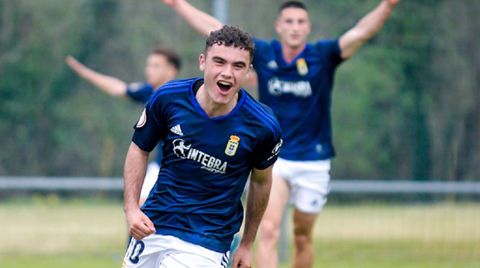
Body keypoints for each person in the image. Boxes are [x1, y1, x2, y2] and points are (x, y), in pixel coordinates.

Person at [162, 0, 400, 267]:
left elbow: (359, 33)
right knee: (269, 229)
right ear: (279, 26)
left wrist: (388, 6)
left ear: (308, 27)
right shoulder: (265, 54)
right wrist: (179, 5)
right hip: (276, 157)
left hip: (313, 159)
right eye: (289, 21)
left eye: (300, 22)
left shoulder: (322, 56)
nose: (294, 27)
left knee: (302, 236)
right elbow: (216, 30)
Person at [122, 25, 283, 268]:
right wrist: (132, 208)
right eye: (219, 62)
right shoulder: (168, 98)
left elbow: (261, 181)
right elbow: (139, 148)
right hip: (155, 225)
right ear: (202, 62)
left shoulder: (263, 125)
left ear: (248, 71)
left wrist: (247, 244)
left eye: (238, 66)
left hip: (207, 240)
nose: (227, 73)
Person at [65, 47, 181, 205]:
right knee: (137, 209)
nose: (149, 70)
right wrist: (85, 72)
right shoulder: (150, 92)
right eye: (148, 65)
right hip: (161, 165)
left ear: (171, 70)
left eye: (156, 65)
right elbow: (117, 87)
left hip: (183, 167)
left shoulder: (184, 96)